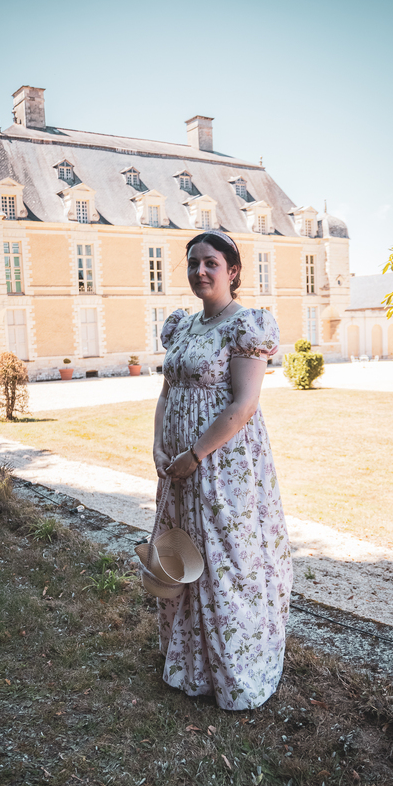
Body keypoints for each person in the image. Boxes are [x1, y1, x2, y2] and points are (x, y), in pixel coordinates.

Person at [152, 230, 292, 710]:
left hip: (221, 466)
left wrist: (195, 455)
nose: (200, 272)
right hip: (178, 468)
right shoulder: (183, 326)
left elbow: (244, 404)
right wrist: (159, 445)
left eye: (211, 263)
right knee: (184, 557)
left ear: (232, 271)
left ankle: (234, 670)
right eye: (193, 263)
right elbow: (168, 392)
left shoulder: (245, 326)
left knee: (226, 560)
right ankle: (192, 666)